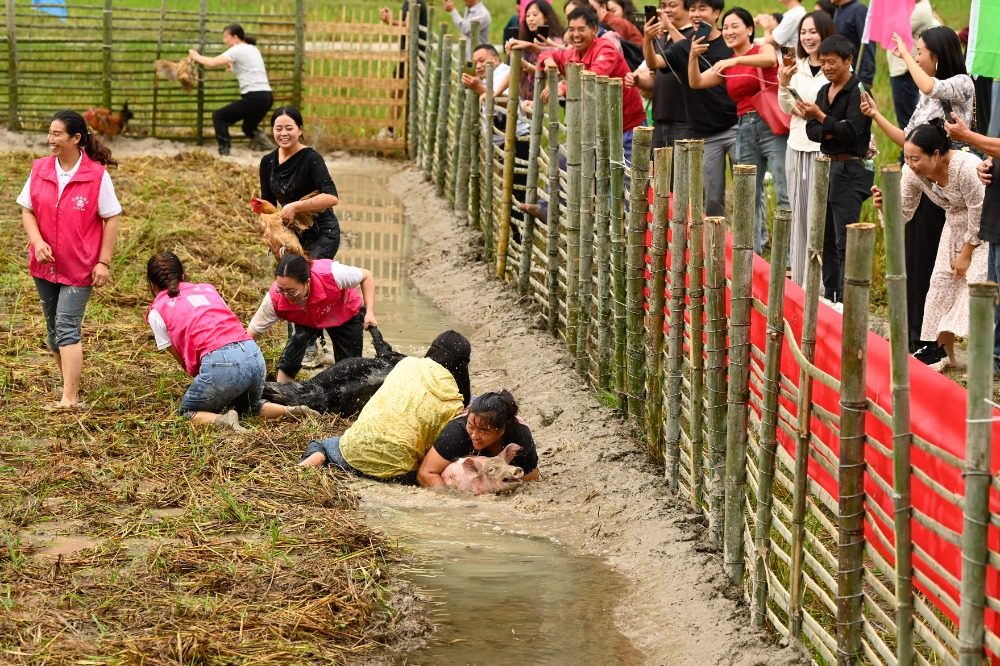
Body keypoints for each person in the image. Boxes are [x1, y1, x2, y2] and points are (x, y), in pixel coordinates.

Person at [860, 27, 974, 359]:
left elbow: (929, 84)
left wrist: (903, 53)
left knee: (931, 267)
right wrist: (876, 115)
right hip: (919, 180)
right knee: (912, 261)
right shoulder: (927, 95)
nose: (916, 55)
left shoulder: (960, 84)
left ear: (937, 55)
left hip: (946, 187)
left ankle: (931, 344)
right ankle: (915, 338)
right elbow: (909, 139)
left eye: (921, 50)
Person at [17, 110, 122, 411]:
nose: (50, 139)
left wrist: (103, 262)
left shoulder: (96, 176)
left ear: (76, 138)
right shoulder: (39, 169)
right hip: (44, 266)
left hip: (80, 267)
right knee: (52, 330)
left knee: (66, 327)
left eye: (57, 134)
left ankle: (70, 398)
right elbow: (27, 210)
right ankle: (69, 383)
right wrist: (37, 242)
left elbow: (112, 218)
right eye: (49, 133)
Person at [145, 252, 318, 433]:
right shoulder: (207, 289)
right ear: (182, 275)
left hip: (220, 362)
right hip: (253, 354)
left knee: (187, 411)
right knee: (249, 406)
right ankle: (288, 411)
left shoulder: (157, 311)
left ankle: (224, 420)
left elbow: (181, 359)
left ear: (152, 284)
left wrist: (205, 378)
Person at [873, 121, 986, 371]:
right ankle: (942, 352)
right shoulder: (912, 172)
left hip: (984, 228)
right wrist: (884, 205)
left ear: (936, 153)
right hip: (954, 225)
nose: (911, 164)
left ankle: (985, 362)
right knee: (941, 285)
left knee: (975, 287)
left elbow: (980, 210)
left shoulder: (966, 167)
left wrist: (967, 253)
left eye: (916, 158)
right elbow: (903, 212)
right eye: (907, 158)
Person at [299, 331, 472, 481]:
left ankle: (311, 461)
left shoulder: (407, 363)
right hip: (399, 472)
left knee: (321, 445)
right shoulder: (454, 401)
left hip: (353, 456)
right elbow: (437, 445)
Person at [688, 7, 790, 255]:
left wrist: (735, 59)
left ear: (749, 29)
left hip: (771, 125)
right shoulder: (725, 65)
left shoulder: (760, 48)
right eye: (726, 28)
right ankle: (752, 253)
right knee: (748, 196)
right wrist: (692, 56)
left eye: (735, 26)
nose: (729, 31)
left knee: (784, 191)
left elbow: (770, 60)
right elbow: (696, 82)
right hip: (744, 128)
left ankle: (789, 257)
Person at [799, 34, 873, 303]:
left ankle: (847, 297)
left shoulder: (859, 92)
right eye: (823, 63)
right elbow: (812, 132)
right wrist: (831, 126)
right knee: (825, 235)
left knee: (845, 237)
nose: (827, 67)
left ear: (848, 61)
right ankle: (830, 292)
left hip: (849, 169)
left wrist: (822, 118)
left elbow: (853, 133)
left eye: (832, 62)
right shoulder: (823, 91)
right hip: (825, 167)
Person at [247, 253, 377, 382]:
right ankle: (284, 389)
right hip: (306, 318)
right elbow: (252, 334)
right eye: (281, 289)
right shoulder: (274, 299)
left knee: (350, 369)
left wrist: (369, 311)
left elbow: (367, 276)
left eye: (291, 291)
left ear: (307, 282)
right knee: (295, 347)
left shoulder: (333, 274)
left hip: (342, 311)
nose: (286, 296)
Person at [662, 0, 738, 218]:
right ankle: (715, 246)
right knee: (711, 199)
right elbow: (694, 81)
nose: (696, 14)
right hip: (705, 132)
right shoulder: (688, 45)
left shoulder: (730, 41)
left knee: (747, 189)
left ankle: (754, 246)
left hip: (735, 126)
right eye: (693, 9)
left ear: (717, 13)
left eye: (702, 9)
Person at [539, 7, 647, 161]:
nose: (575, 35)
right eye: (571, 30)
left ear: (594, 29)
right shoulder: (573, 53)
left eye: (581, 29)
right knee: (565, 163)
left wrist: (563, 87)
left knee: (626, 181)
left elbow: (593, 77)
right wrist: (549, 61)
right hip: (598, 129)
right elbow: (548, 53)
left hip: (626, 127)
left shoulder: (606, 48)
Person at [777, 10, 835, 285]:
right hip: (796, 145)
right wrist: (784, 83)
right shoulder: (795, 66)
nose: (808, 37)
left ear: (825, 33)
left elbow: (834, 107)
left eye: (813, 32)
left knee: (818, 216)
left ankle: (821, 283)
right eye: (804, 32)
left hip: (822, 149)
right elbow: (787, 107)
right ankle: (800, 281)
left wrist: (814, 112)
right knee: (797, 213)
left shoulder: (833, 68)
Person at [944, 113, 1000, 372]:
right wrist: (988, 162)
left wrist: (967, 137)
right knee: (996, 296)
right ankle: (994, 362)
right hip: (996, 216)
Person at [259, 107, 342, 260]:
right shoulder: (267, 162)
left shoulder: (311, 159)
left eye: (289, 128)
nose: (283, 133)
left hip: (322, 232)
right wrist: (272, 235)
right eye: (278, 129)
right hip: (292, 233)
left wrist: (295, 206)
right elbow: (268, 205)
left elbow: (331, 197)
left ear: (300, 130)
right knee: (290, 279)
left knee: (311, 275)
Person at [417, 390, 541, 487]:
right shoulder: (456, 433)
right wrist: (451, 502)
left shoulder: (519, 439)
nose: (474, 436)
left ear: (502, 430)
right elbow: (425, 474)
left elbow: (531, 481)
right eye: (471, 426)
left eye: (483, 430)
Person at [189, 24, 273, 156]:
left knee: (219, 117)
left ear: (235, 37)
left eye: (225, 37)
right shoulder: (252, 49)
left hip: (254, 97)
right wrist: (232, 67)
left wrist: (196, 56)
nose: (224, 40)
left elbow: (211, 63)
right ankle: (268, 148)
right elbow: (247, 66)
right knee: (248, 128)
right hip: (266, 97)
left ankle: (224, 152)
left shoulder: (237, 49)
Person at [641, 0, 695, 150]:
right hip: (660, 117)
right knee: (659, 171)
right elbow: (653, 66)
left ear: (688, 8)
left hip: (686, 119)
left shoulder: (694, 33)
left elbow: (691, 54)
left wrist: (669, 27)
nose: (666, 11)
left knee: (683, 170)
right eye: (663, 6)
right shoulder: (662, 38)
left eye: (672, 6)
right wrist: (647, 38)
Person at [886, 0, 938, 133]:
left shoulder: (919, 10)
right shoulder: (913, 7)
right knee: (908, 119)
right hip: (904, 69)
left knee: (909, 122)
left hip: (906, 71)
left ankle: (909, 151)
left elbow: (890, 31)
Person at [829, 0, 874, 88]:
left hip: (855, 77)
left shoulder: (859, 10)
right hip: (840, 76)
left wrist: (866, 78)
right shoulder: (838, 10)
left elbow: (867, 45)